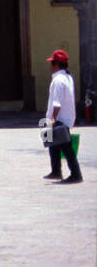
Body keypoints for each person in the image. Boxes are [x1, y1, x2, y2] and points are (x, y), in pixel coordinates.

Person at [43, 50, 82, 183]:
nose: (50, 66)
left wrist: (53, 118)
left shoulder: (58, 80)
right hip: (65, 117)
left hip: (59, 119)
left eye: (52, 63)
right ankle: (56, 171)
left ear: (56, 64)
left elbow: (57, 102)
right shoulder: (67, 77)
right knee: (52, 145)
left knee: (66, 148)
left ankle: (76, 174)